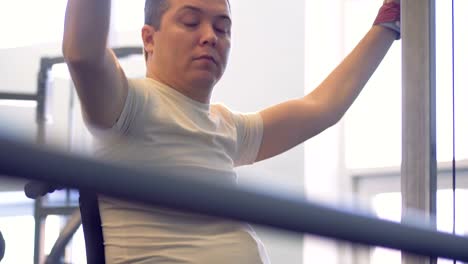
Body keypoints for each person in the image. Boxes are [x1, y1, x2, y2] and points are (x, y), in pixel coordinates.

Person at [62, 0, 401, 263]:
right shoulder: (127, 105)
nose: (210, 36)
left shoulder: (227, 126)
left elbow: (322, 108)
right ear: (149, 39)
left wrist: (388, 23)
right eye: (191, 22)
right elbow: (83, 54)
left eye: (222, 28)